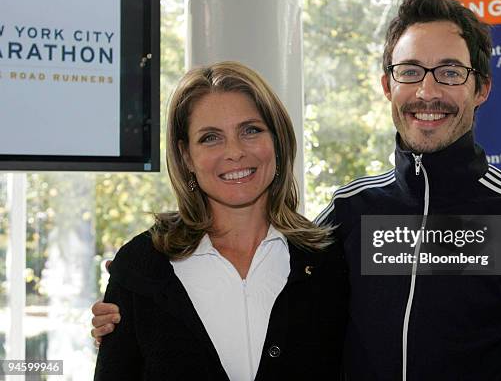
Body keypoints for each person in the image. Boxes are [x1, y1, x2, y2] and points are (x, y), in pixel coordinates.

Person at [93, 0, 501, 381]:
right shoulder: (350, 216)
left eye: (449, 72)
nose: (427, 91)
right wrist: (131, 304)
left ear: (480, 87)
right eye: (410, 71)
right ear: (387, 85)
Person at [92, 61, 348, 381]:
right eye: (211, 138)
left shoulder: (330, 261)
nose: (235, 152)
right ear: (186, 156)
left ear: (277, 141)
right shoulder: (141, 267)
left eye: (250, 130)